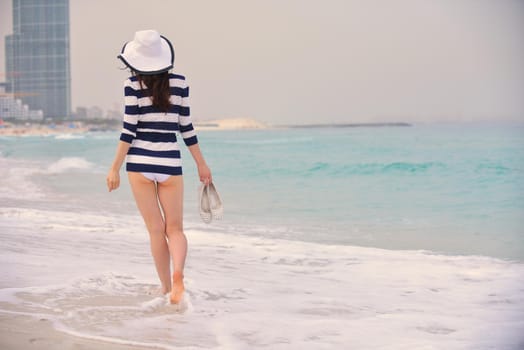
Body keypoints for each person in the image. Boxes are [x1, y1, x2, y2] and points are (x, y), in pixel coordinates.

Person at [106, 30, 211, 304]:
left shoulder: (131, 85)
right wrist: (202, 164)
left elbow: (129, 130)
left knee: (155, 230)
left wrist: (114, 168)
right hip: (170, 163)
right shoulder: (181, 83)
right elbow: (186, 128)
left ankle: (165, 287)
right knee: (174, 229)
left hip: (139, 163)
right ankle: (178, 275)